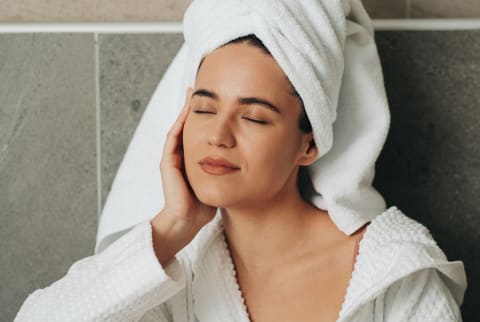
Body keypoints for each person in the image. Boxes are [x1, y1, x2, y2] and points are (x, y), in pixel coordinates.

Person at [14, 33, 466, 322]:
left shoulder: (393, 272)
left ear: (308, 145)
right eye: (204, 109)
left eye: (253, 117)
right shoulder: (172, 272)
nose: (217, 135)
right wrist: (170, 229)